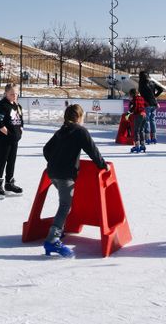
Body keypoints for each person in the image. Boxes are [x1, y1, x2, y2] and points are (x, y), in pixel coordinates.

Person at [41, 104, 108, 258]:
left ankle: (59, 231)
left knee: (66, 203)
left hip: (52, 173)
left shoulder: (61, 131)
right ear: (79, 117)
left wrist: (55, 162)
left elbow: (46, 149)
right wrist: (103, 166)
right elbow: (92, 150)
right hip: (65, 175)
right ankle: (53, 239)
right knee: (65, 205)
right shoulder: (80, 131)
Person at [0, 83, 23, 198]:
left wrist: (20, 132)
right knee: (2, 160)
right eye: (11, 94)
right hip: (2, 138)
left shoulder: (17, 106)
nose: (14, 96)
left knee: (12, 161)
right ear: (6, 94)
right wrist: (10, 134)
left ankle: (9, 183)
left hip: (14, 139)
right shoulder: (2, 106)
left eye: (16, 93)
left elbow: (21, 121)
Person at [137, 71, 164, 144]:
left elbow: (141, 95)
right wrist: (155, 96)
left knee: (147, 120)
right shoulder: (152, 82)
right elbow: (161, 89)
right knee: (153, 120)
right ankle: (154, 138)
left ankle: (148, 137)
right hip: (154, 103)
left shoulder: (141, 84)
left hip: (146, 104)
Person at [127, 88, 147, 154]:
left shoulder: (135, 99)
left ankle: (137, 146)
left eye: (130, 94)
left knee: (136, 131)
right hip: (144, 115)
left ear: (132, 94)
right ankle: (143, 145)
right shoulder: (141, 97)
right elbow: (146, 104)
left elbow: (134, 106)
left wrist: (129, 112)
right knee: (141, 130)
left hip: (139, 115)